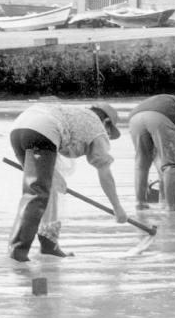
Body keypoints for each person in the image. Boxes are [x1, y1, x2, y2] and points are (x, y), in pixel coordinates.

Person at [8, 101, 128, 262]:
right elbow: (104, 171)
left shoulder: (74, 114)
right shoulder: (97, 127)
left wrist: (56, 178)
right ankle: (18, 253)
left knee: (43, 190)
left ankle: (48, 246)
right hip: (43, 132)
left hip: (19, 128)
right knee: (38, 194)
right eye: (109, 130)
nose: (107, 134)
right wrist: (118, 208)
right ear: (106, 122)